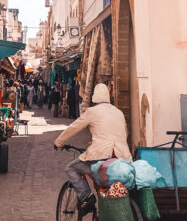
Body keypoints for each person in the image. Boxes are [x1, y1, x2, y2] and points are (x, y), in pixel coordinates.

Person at [53, 83, 131, 212]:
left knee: (71, 168)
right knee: (103, 187)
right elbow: (125, 134)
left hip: (101, 155)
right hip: (122, 156)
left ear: (95, 97)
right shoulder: (119, 112)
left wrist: (58, 142)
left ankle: (86, 197)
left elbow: (74, 128)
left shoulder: (92, 112)